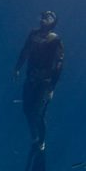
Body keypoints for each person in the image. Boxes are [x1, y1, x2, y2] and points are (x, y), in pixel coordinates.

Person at [15, 11, 64, 150]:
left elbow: (59, 64)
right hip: (31, 78)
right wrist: (17, 67)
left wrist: (52, 87)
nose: (44, 18)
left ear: (53, 22)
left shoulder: (55, 40)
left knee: (39, 113)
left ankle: (41, 141)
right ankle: (34, 136)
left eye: (49, 17)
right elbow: (25, 51)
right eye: (43, 16)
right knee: (26, 109)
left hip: (45, 82)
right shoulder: (33, 34)